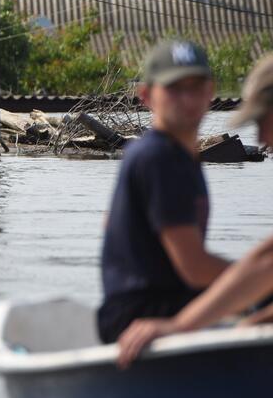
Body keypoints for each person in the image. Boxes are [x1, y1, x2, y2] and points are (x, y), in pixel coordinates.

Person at [117, 54, 273, 368]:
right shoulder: (160, 157)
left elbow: (266, 263)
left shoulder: (167, 157)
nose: (261, 139)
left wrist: (181, 326)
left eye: (261, 120)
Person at [97, 40, 230, 344]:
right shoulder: (158, 157)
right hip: (140, 315)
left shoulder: (179, 155)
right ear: (146, 95)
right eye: (174, 88)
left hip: (165, 301)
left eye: (196, 87)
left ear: (211, 91)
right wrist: (256, 281)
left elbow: (110, 223)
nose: (187, 99)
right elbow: (195, 269)